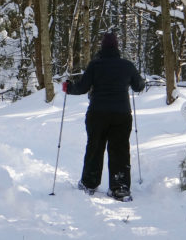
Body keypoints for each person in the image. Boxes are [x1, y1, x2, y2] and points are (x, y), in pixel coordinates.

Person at [62, 32, 145, 200]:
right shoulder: (127, 66)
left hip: (97, 113)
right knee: (120, 149)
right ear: (117, 47)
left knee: (95, 147)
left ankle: (89, 183)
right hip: (121, 115)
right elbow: (138, 86)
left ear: (102, 47)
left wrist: (68, 87)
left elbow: (82, 88)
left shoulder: (95, 65)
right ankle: (120, 187)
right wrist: (139, 81)